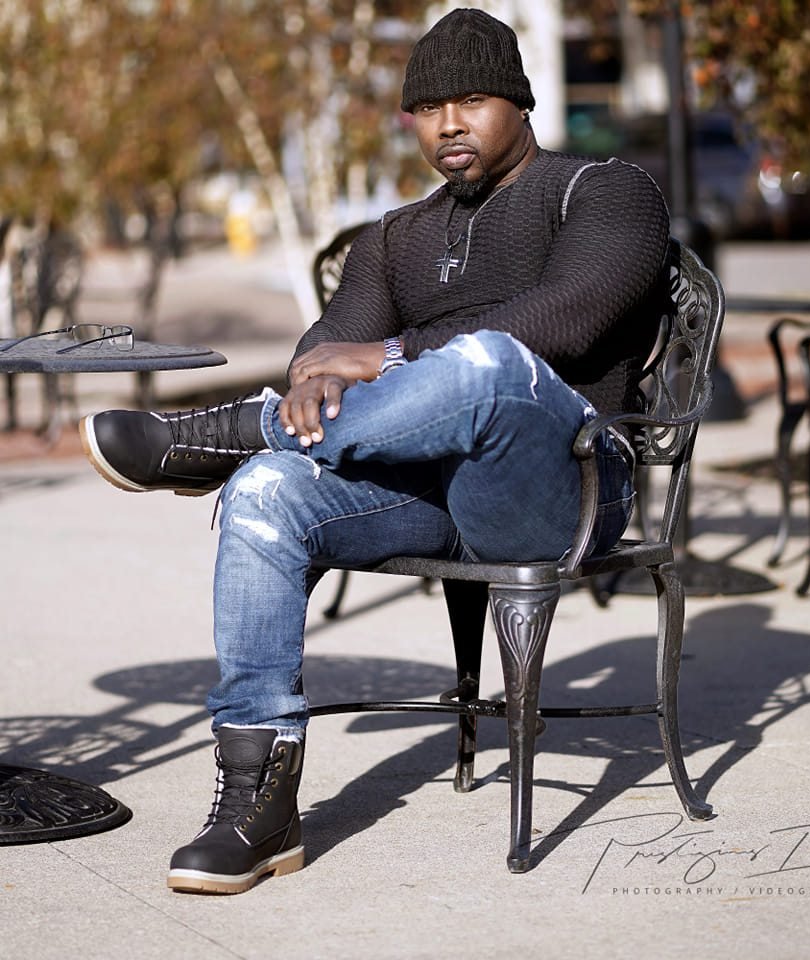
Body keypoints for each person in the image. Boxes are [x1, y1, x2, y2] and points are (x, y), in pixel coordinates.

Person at [80, 8, 671, 894]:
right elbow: (320, 358)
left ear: (518, 101)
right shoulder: (394, 236)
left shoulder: (603, 189)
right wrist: (323, 378)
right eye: (426, 108)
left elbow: (570, 318)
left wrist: (390, 355)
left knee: (490, 362)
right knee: (267, 496)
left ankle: (225, 434)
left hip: (561, 489)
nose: (448, 125)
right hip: (428, 497)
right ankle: (257, 804)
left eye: (471, 101)